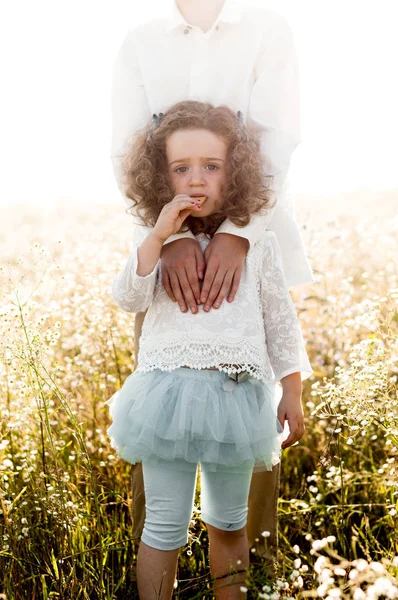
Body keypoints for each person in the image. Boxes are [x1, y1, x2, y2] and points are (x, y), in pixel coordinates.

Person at [110, 0, 314, 563]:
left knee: (243, 506)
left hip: (254, 238)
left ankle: (251, 583)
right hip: (164, 257)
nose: (196, 177)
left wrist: (238, 232)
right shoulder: (141, 41)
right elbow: (127, 154)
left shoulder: (268, 30)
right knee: (160, 497)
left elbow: (276, 141)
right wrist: (169, 239)